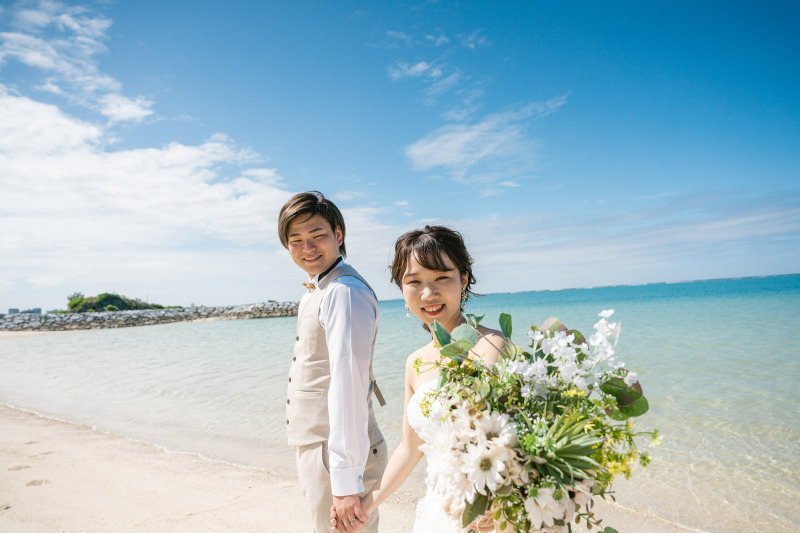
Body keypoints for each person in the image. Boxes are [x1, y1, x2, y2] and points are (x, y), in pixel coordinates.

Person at [332, 225, 504, 532]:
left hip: (489, 512)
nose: (428, 294)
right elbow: (410, 450)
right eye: (414, 282)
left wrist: (496, 501)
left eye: (441, 278)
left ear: (464, 279)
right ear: (401, 289)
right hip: (439, 510)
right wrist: (363, 507)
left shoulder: (491, 346)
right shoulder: (415, 362)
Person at [279, 191, 388, 533]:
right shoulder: (322, 288)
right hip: (325, 451)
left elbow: (347, 387)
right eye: (295, 240)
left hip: (336, 454)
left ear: (338, 235)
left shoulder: (343, 291)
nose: (307, 247)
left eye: (317, 236)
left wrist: (344, 481)